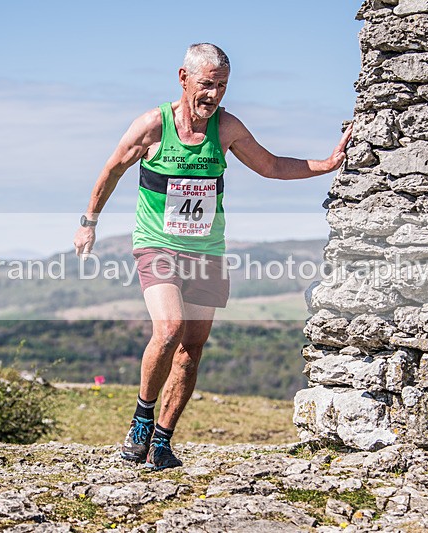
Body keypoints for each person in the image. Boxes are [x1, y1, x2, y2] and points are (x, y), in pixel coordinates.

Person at [73, 43, 352, 470]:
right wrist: (88, 221)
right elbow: (112, 169)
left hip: (206, 252)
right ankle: (141, 422)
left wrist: (327, 163)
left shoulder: (226, 128)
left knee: (191, 349)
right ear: (183, 79)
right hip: (157, 245)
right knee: (168, 330)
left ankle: (163, 441)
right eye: (206, 84)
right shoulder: (152, 126)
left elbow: (271, 166)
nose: (214, 95)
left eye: (222, 86)